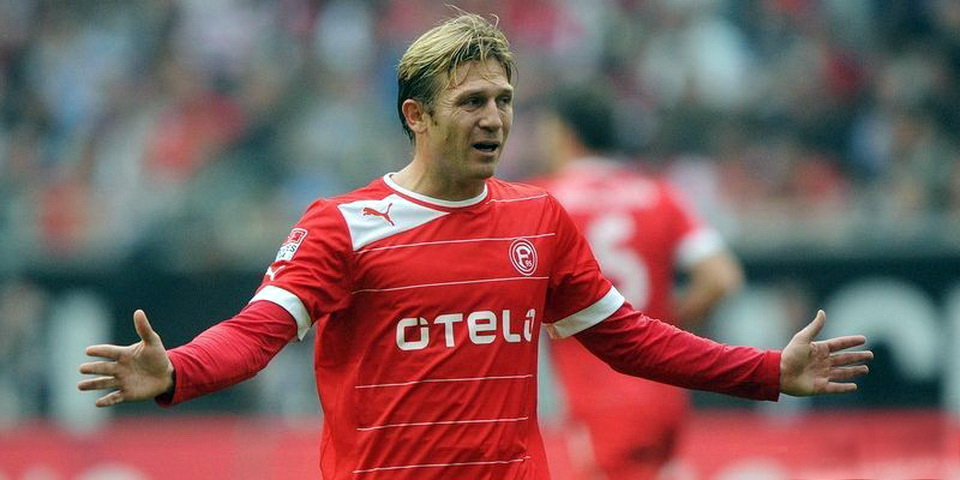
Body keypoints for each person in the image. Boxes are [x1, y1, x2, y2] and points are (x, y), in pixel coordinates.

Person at [78, 12, 872, 480]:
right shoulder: (343, 225)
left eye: (504, 100)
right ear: (417, 115)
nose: (494, 118)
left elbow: (631, 338)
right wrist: (178, 370)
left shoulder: (541, 219)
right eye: (471, 102)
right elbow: (257, 333)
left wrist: (767, 371)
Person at [533, 84, 745, 479]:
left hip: (599, 396)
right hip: (663, 388)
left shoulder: (540, 200)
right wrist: (666, 324)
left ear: (564, 133)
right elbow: (721, 277)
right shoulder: (659, 194)